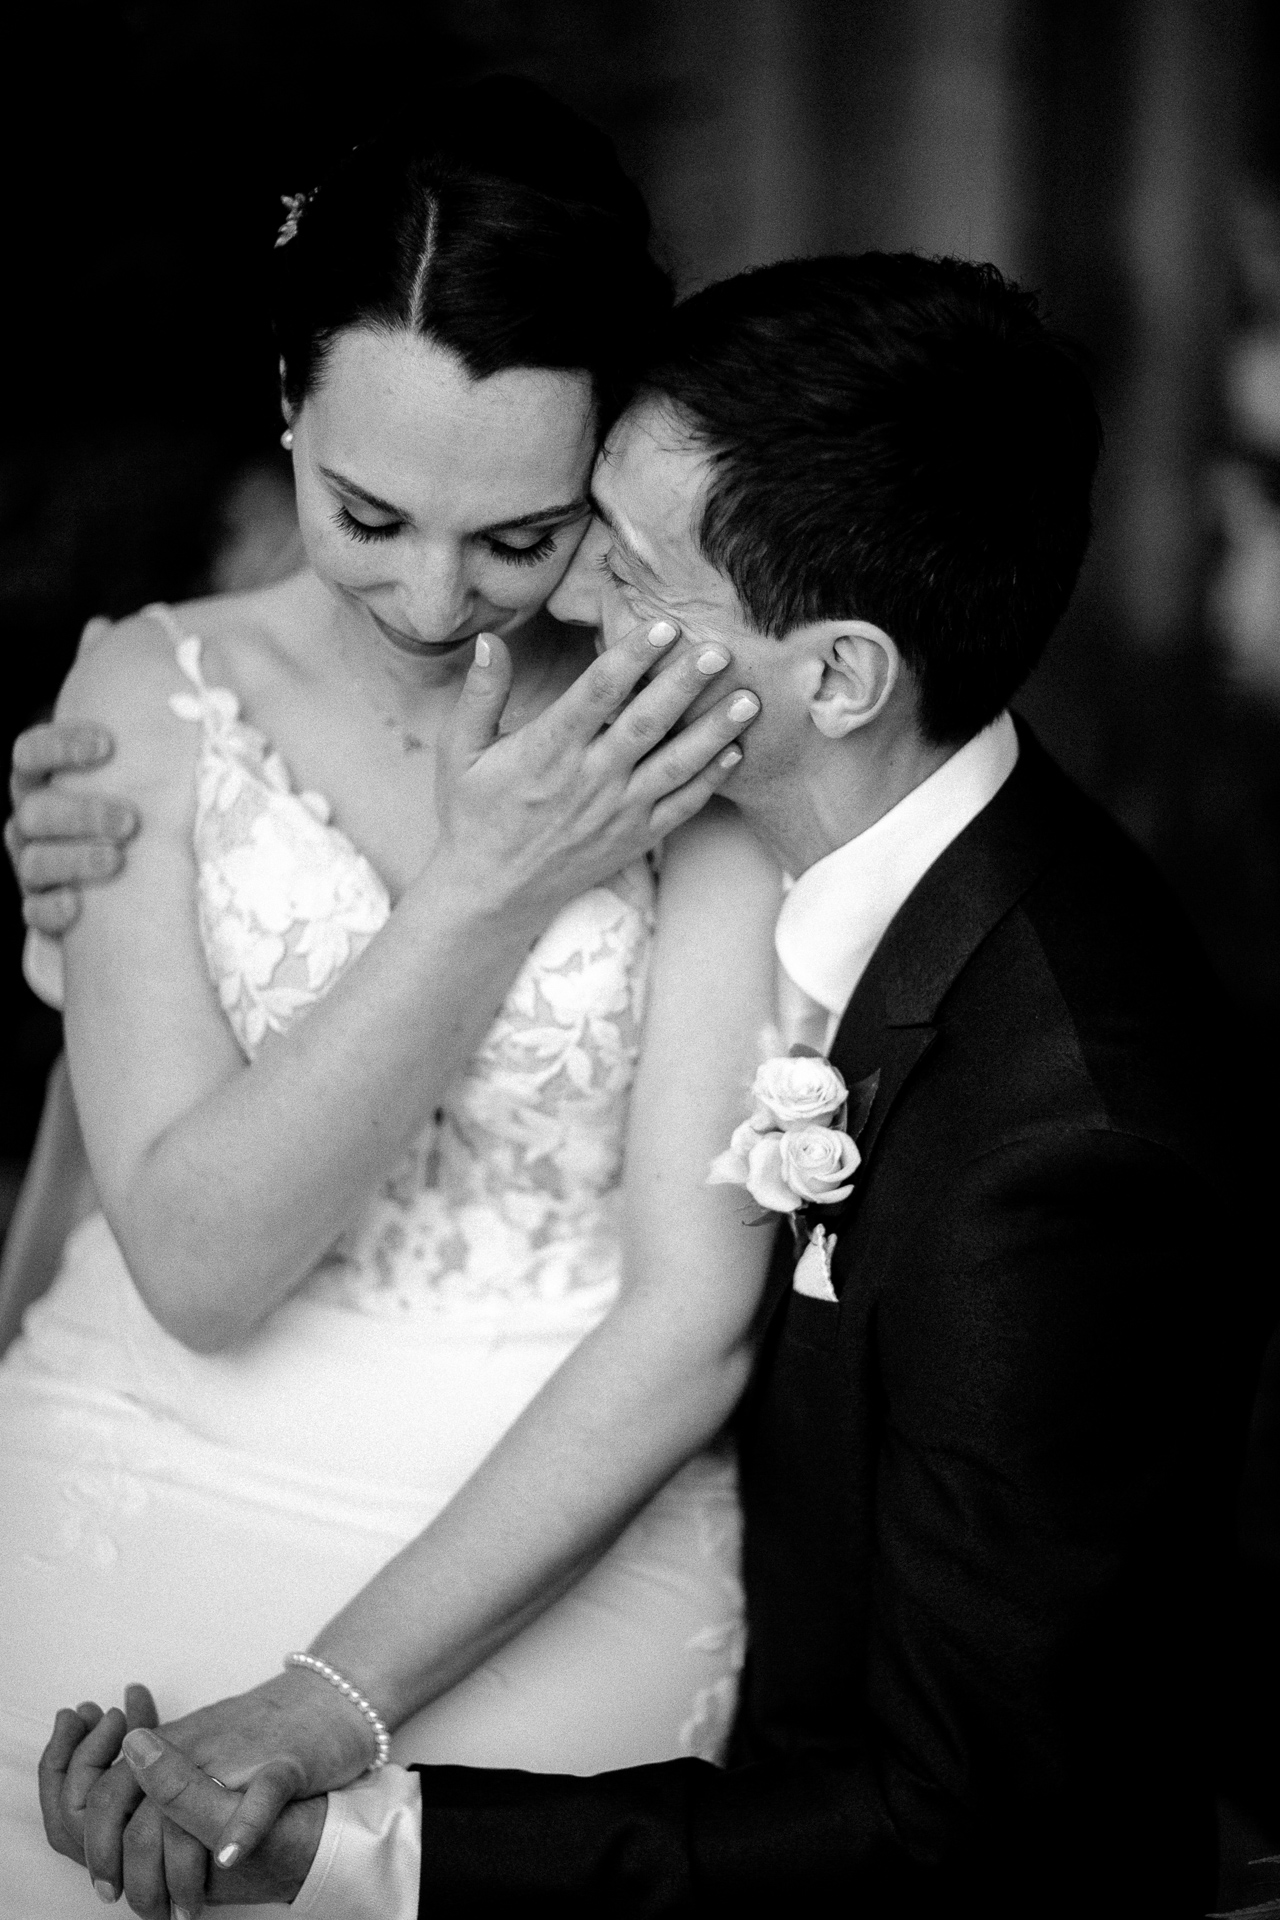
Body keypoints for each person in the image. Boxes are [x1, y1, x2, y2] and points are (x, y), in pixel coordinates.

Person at [26, 251, 1254, 1918]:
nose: (544, 600)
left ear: (838, 677)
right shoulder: (851, 819)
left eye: (623, 560)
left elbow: (965, 1834)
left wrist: (355, 1850)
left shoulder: (1062, 1153)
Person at [0, 82, 779, 1919]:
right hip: (143, 1438)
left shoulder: (689, 724)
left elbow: (695, 1313)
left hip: (548, 1493)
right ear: (287, 402)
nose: (434, 601)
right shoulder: (148, 692)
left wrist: (326, 1706)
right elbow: (199, 1268)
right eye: (366, 513)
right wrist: (492, 883)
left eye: (520, 538)